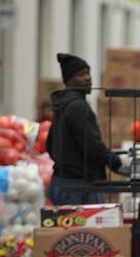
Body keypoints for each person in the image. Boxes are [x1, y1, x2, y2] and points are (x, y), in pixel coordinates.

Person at [47, 53, 120, 205]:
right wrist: (114, 161)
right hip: (78, 186)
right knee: (85, 228)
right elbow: (90, 144)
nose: (87, 78)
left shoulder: (62, 105)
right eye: (81, 74)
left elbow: (49, 143)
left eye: (88, 73)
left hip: (61, 182)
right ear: (69, 80)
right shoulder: (77, 107)